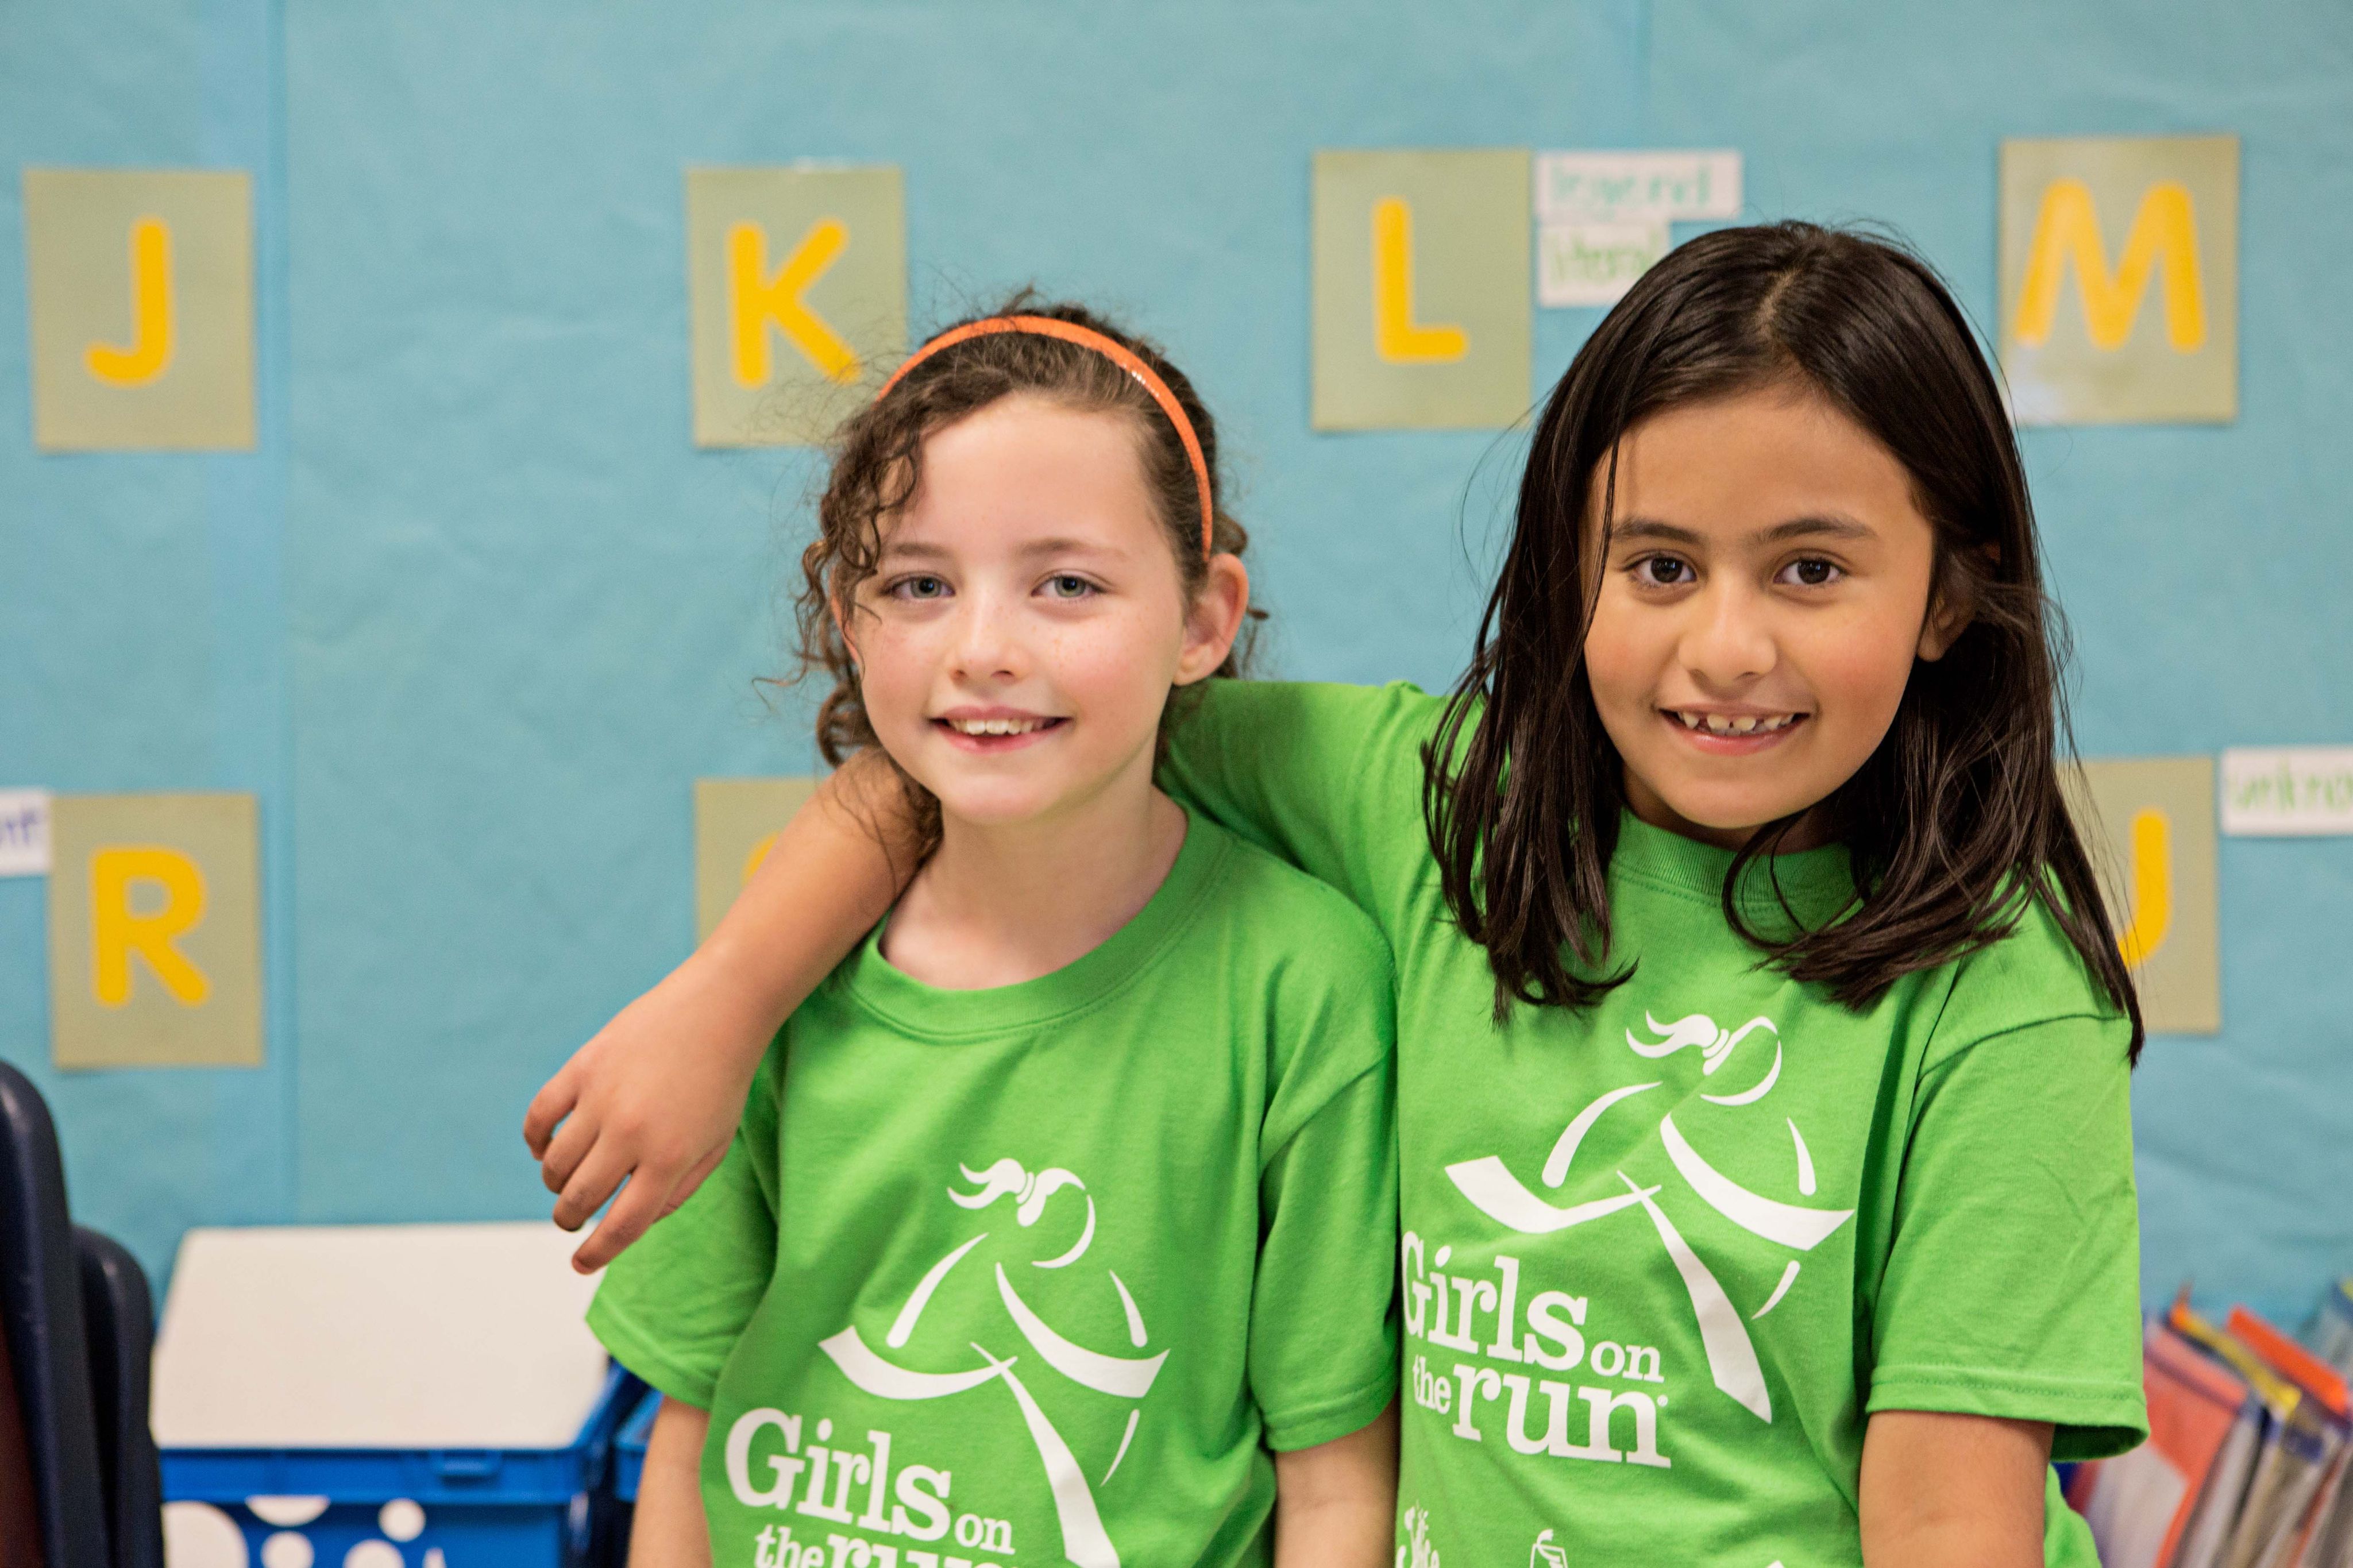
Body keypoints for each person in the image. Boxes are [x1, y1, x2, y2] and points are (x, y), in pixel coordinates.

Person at [535, 226, 2149, 1566]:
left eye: (1810, 569)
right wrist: (733, 998)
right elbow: (989, 744)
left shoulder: (2002, 994)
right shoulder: (1436, 808)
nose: (1725, 646)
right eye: (1658, 565)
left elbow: (1950, 1517)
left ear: (1949, 592)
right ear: (1566, 565)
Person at [591, 302, 1401, 1568]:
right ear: (850, 621)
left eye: (1065, 585)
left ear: (1202, 620)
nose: (981, 650)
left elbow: (1336, 1486)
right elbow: (689, 1435)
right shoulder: (782, 974)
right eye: (917, 585)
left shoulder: (1303, 990)